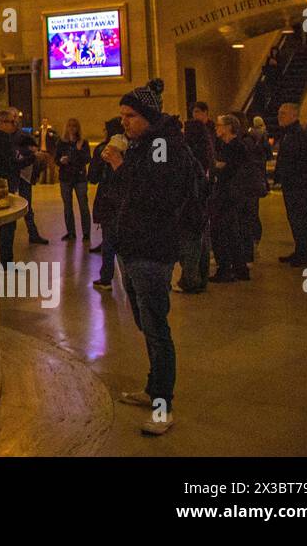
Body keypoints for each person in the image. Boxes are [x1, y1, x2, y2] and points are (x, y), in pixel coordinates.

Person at [104, 78, 187, 435]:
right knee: (144, 322)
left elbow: (155, 196)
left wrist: (120, 165)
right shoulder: (143, 144)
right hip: (133, 246)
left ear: (149, 117)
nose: (124, 121)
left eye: (131, 115)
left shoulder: (164, 146)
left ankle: (162, 405)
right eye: (122, 115)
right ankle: (154, 389)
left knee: (156, 328)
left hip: (152, 250)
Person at [210, 115, 255, 282]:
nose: (216, 127)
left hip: (228, 195)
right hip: (230, 194)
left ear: (229, 127)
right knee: (231, 231)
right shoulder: (227, 145)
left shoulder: (234, 147)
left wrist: (217, 168)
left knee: (222, 231)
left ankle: (225, 270)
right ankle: (239, 268)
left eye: (219, 125)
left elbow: (224, 170)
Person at [272, 102, 307, 268]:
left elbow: (306, 161)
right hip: (291, 185)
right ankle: (300, 250)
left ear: (294, 116)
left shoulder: (301, 135)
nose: (279, 117)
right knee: (295, 219)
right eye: (279, 113)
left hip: (300, 185)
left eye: (283, 113)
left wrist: (297, 178)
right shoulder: (288, 134)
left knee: (303, 220)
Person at [177, 111, 217, 293]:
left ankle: (190, 279)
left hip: (191, 202)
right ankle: (201, 278)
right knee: (202, 240)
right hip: (203, 201)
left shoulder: (189, 154)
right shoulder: (207, 151)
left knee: (190, 242)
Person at [89, 117, 125, 289]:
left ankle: (106, 277)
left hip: (107, 198)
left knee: (109, 239)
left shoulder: (103, 150)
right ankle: (128, 278)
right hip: (125, 199)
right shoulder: (131, 148)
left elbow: (93, 177)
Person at [0, 108, 22, 266]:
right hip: (5, 184)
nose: (14, 126)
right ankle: (6, 261)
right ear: (1, 122)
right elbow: (12, 163)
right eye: (11, 122)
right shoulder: (4, 140)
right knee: (8, 224)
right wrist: (31, 159)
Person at [54, 118, 92, 240]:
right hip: (65, 178)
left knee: (83, 206)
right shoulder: (61, 142)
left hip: (79, 178)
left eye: (74, 126)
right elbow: (56, 159)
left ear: (78, 128)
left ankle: (86, 233)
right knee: (67, 206)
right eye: (69, 125)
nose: (72, 128)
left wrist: (77, 151)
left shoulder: (83, 142)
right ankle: (71, 232)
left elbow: (87, 159)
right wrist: (61, 161)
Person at [13, 117, 48, 245]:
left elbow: (33, 149)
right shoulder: (4, 137)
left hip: (24, 174)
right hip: (12, 174)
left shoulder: (23, 135)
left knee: (27, 205)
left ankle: (33, 233)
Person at [243, 116, 271, 258]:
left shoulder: (247, 141)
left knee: (250, 213)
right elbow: (268, 155)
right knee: (253, 212)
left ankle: (252, 243)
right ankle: (254, 242)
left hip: (250, 181)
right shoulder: (262, 138)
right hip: (257, 179)